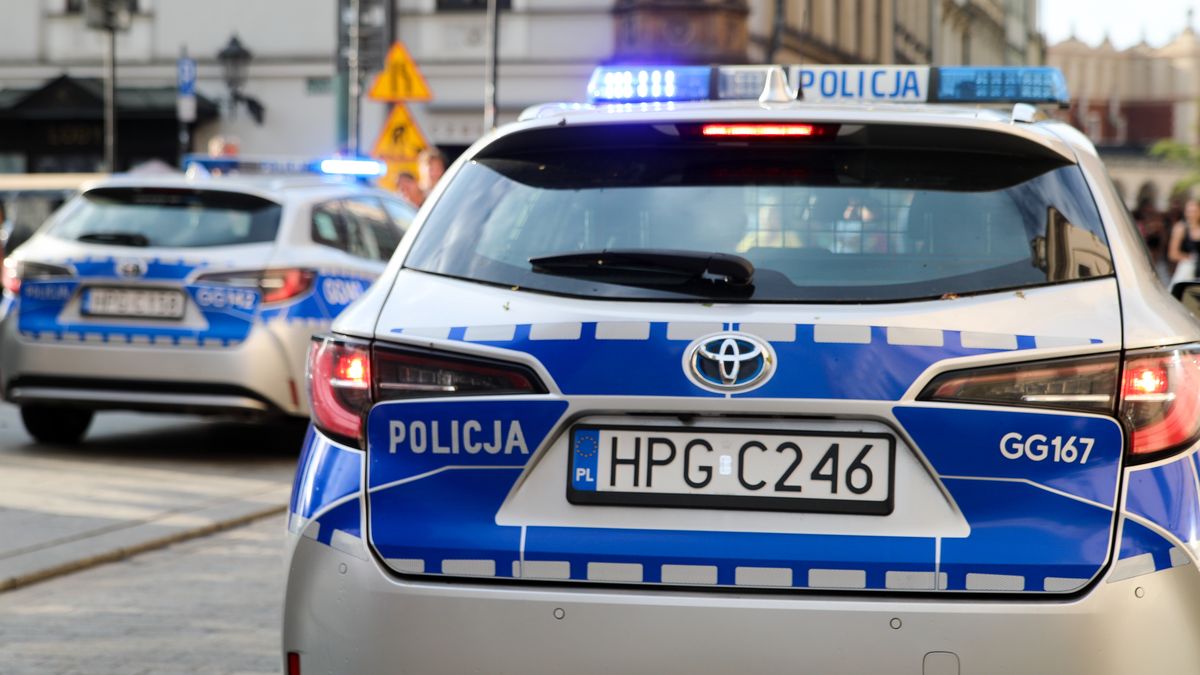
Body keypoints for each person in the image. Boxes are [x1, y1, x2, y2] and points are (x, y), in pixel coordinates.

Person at [1168, 198, 1200, 285]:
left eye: (1194, 211)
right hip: (1187, 269)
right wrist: (1191, 258)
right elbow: (1173, 254)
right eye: (1189, 211)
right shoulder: (1180, 228)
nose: (1192, 214)